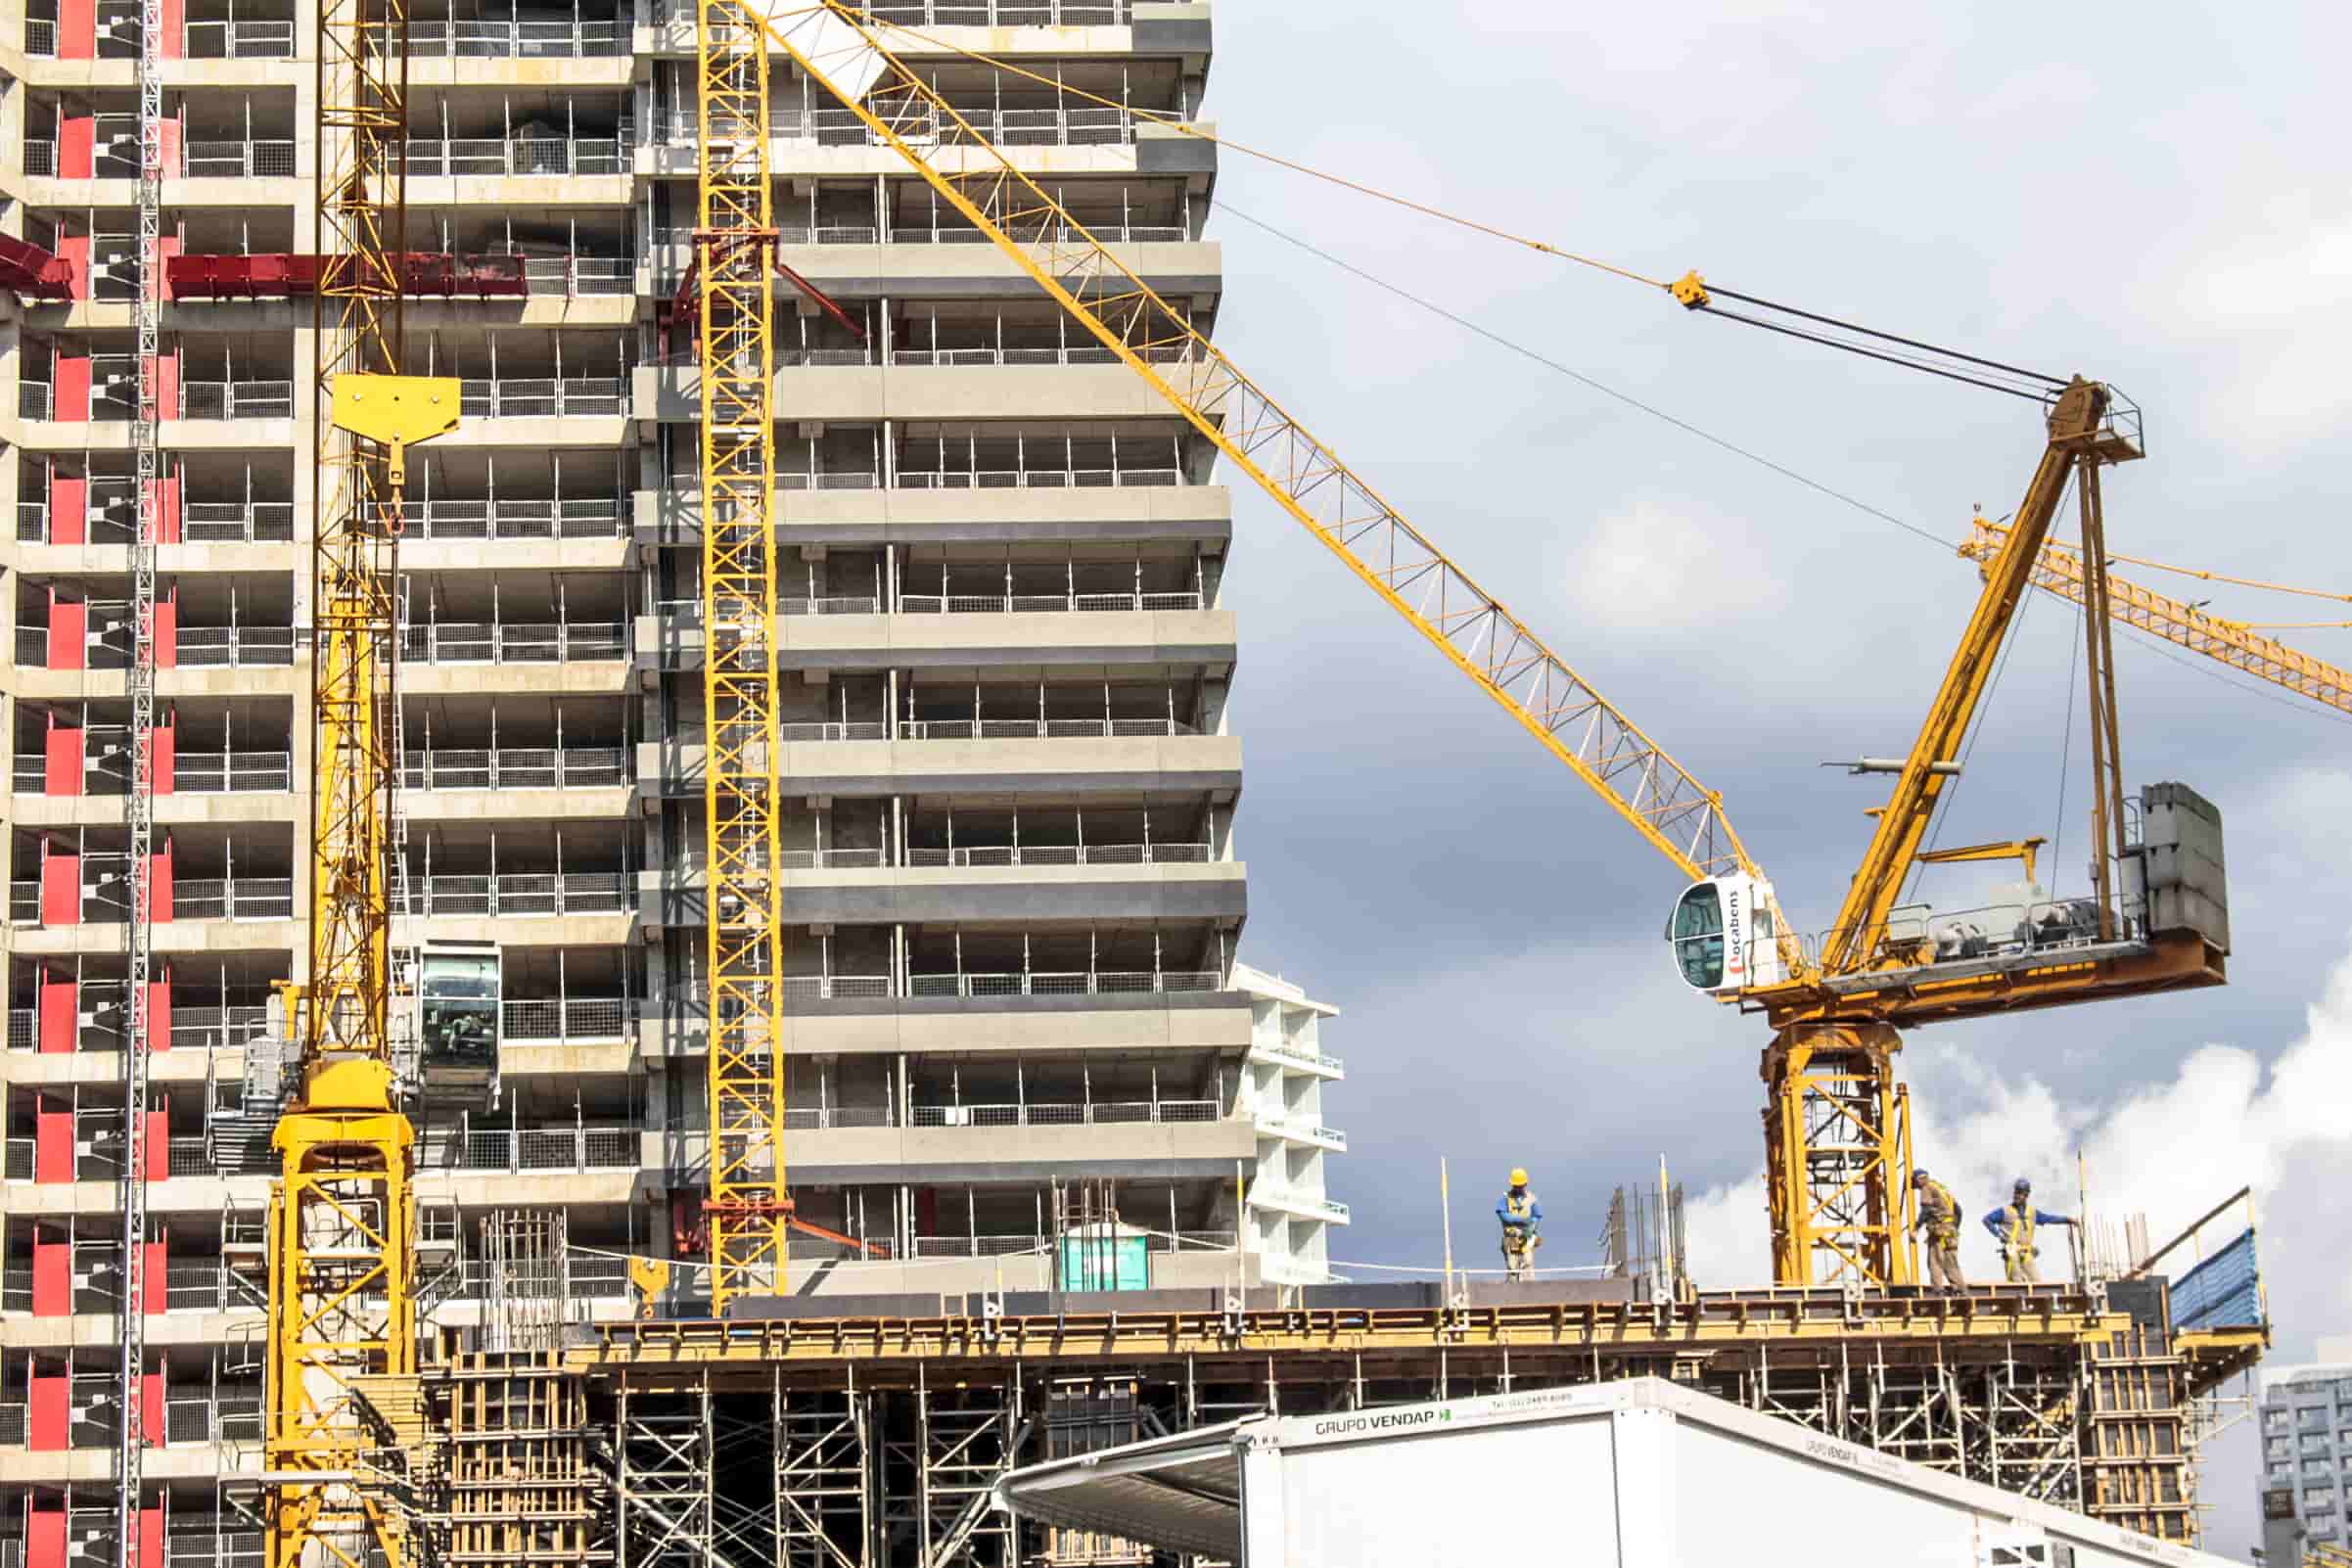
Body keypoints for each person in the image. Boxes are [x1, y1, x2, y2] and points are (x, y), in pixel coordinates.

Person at [1982, 1176, 2075, 1283]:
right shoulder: (2005, 1211)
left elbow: (2049, 1218)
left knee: (2036, 1282)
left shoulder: (2032, 1213)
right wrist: (1999, 1234)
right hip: (2012, 1252)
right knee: (2017, 1282)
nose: (2016, 1195)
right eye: (2016, 1192)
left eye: (2020, 1193)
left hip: (2026, 1253)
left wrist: (2067, 1220)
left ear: (2026, 1195)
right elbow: (1987, 1220)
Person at [1910, 1167, 1964, 1292]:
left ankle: (1939, 1291)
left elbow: (1926, 1210)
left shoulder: (1927, 1188)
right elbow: (1959, 1210)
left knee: (1934, 1261)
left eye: (1915, 1182)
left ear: (1919, 1179)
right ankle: (1960, 1290)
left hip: (1939, 1232)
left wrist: (1916, 1229)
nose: (1916, 1186)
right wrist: (1954, 1228)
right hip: (1951, 1232)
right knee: (1951, 1262)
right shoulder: (1942, 1188)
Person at [1497, 1169, 1542, 1282]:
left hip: (1526, 1239)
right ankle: (1512, 1292)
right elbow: (1503, 1215)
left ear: (1525, 1184)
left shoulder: (1532, 1199)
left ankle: (1529, 1293)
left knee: (1527, 1263)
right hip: (1511, 1239)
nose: (1518, 1188)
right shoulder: (1505, 1199)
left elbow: (1537, 1216)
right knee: (1512, 1268)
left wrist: (1530, 1228)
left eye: (1520, 1186)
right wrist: (1521, 1220)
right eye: (1516, 1186)